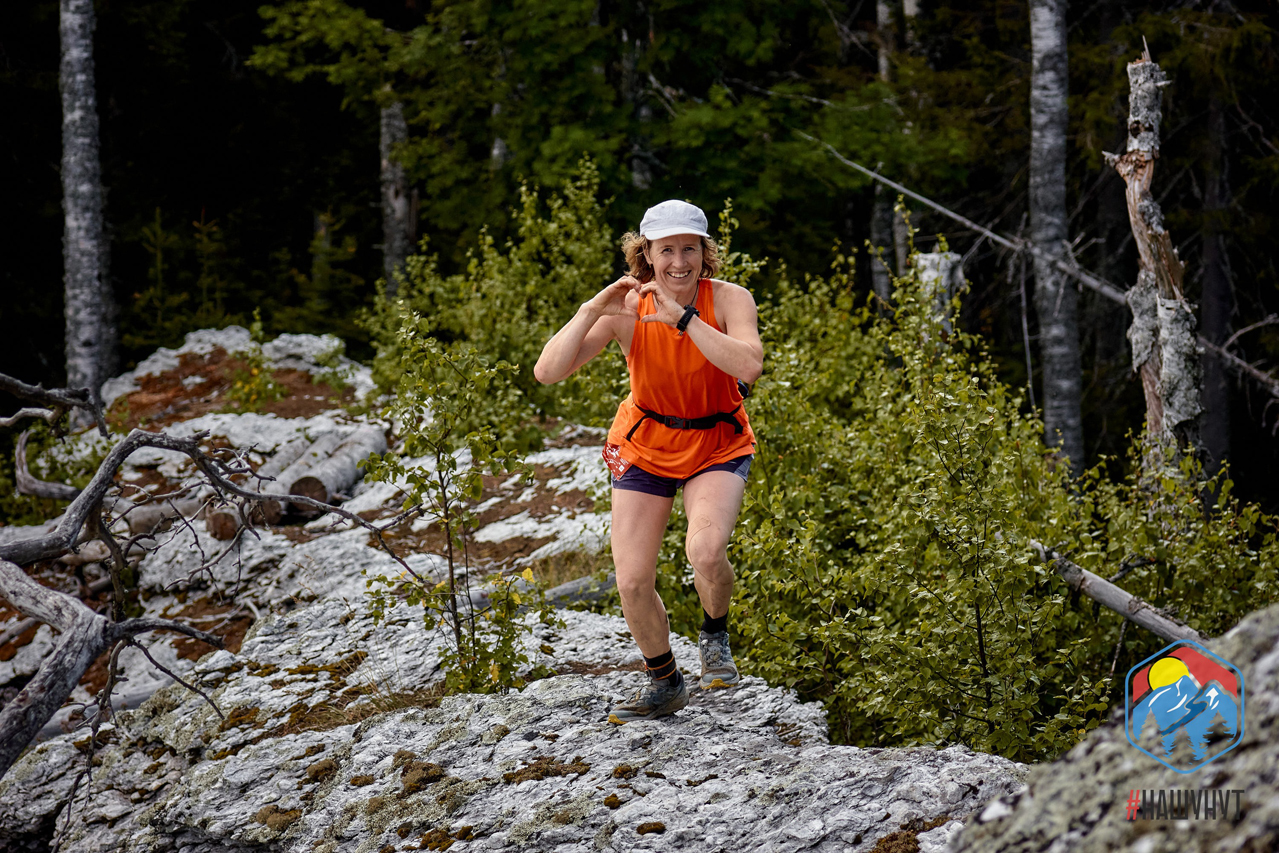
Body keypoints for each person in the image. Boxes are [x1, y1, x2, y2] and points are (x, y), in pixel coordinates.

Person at [534, 199, 762, 723]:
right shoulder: (625, 308)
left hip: (717, 441)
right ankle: (664, 681)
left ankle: (714, 634)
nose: (678, 262)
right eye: (666, 251)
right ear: (647, 255)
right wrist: (592, 310)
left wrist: (682, 318)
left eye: (690, 249)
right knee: (632, 581)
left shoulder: (729, 299)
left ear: (706, 254)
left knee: (706, 551)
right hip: (644, 443)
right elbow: (548, 372)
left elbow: (749, 364)